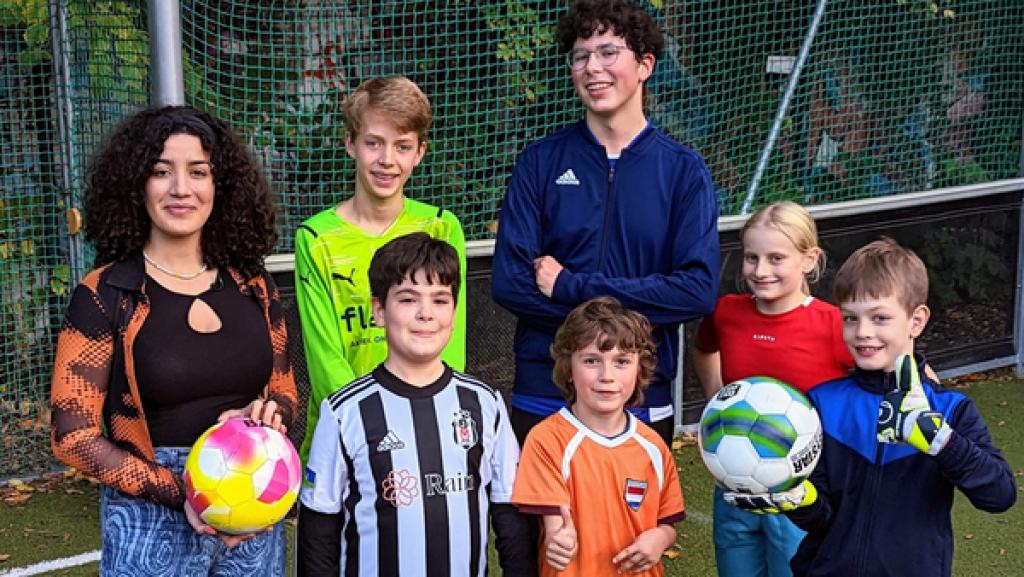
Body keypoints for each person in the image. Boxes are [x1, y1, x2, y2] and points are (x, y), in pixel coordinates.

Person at [50, 106, 298, 576]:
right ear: (136, 185)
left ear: (219, 186)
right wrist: (184, 489)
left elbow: (284, 390)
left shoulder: (254, 285)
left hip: (251, 513)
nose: (181, 188)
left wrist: (271, 414)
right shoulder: (105, 294)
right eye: (161, 171)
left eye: (198, 172)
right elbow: (71, 436)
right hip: (149, 515)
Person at [491, 0, 719, 447]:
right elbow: (510, 283)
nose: (592, 67)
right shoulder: (539, 162)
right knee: (546, 521)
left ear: (646, 64)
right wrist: (626, 313)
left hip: (640, 392)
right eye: (581, 55)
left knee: (639, 522)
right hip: (545, 391)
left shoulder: (684, 171)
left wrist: (572, 286)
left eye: (608, 52)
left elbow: (695, 290)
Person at [724, 238, 1017, 577]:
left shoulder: (951, 409)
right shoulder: (822, 403)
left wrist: (940, 440)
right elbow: (825, 518)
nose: (862, 332)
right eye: (850, 318)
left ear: (916, 321)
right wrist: (801, 500)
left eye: (879, 317)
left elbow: (999, 495)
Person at [297, 232, 533, 576]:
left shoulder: (486, 404)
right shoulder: (344, 412)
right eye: (408, 299)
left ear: (454, 311)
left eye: (440, 300)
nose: (426, 314)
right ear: (379, 311)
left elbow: (509, 517)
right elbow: (319, 530)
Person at [295, 76, 466, 463]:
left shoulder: (442, 228)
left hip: (425, 425)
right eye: (374, 143)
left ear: (420, 152)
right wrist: (372, 423)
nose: (387, 159)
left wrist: (425, 416)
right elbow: (325, 361)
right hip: (347, 430)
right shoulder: (316, 238)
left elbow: (450, 340)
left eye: (402, 146)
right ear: (350, 144)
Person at [692, 201, 853, 577]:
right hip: (734, 486)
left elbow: (885, 367)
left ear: (809, 259)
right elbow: (704, 348)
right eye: (752, 258)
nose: (761, 271)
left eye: (776, 258)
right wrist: (717, 400)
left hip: (803, 492)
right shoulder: (728, 312)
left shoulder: (834, 324)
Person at [512, 296, 685, 576]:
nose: (607, 375)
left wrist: (661, 539)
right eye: (592, 360)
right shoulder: (546, 440)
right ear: (569, 368)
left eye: (621, 361)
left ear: (639, 369)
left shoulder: (652, 445)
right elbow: (556, 524)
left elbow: (666, 524)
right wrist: (559, 542)